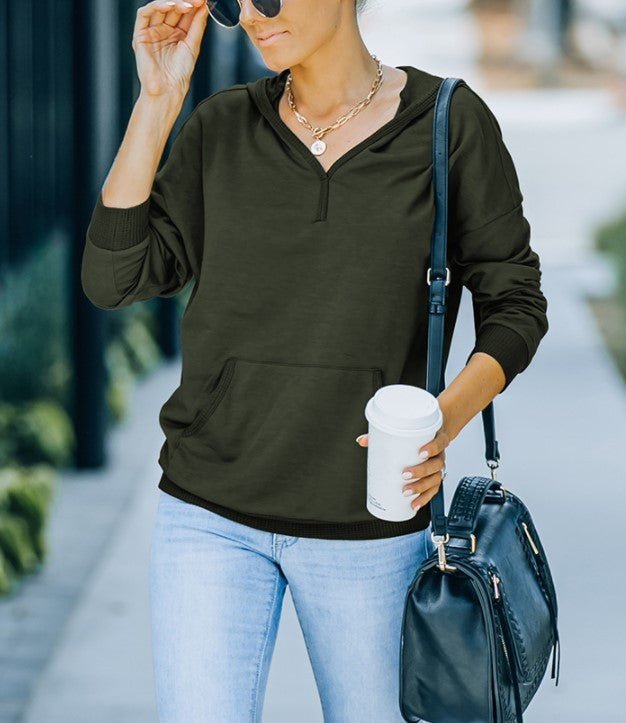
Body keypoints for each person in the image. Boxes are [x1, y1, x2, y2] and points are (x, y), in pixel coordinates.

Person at [80, 0, 549, 720]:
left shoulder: (449, 124)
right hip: (208, 517)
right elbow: (114, 279)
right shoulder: (219, 128)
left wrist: (441, 421)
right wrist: (158, 100)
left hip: (369, 527)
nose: (252, 15)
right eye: (234, 2)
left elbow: (515, 301)